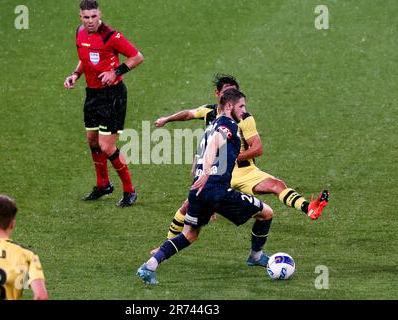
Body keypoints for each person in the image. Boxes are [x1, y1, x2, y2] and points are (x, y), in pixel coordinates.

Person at [154, 75, 328, 246]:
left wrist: (229, 157)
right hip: (218, 173)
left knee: (276, 185)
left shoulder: (244, 118)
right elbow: (188, 114)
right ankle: (167, 244)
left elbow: (257, 148)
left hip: (244, 171)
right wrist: (167, 119)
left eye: (234, 92)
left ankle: (309, 208)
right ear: (218, 94)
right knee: (187, 208)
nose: (232, 97)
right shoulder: (209, 112)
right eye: (227, 92)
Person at [137, 89, 274, 285]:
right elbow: (214, 146)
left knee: (189, 235)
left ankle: (150, 265)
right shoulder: (229, 125)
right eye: (241, 106)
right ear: (229, 106)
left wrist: (205, 196)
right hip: (217, 189)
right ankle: (256, 255)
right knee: (266, 213)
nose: (244, 111)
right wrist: (210, 174)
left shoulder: (211, 127)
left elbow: (196, 166)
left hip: (199, 190)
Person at [63, 0, 144, 206]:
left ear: (100, 15)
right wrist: (75, 74)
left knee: (106, 146)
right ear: (80, 17)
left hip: (113, 95)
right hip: (92, 94)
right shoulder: (80, 33)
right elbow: (85, 57)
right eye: (86, 17)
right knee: (92, 140)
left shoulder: (111, 36)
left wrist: (115, 72)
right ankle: (103, 184)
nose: (90, 21)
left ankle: (130, 190)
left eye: (94, 16)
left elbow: (137, 57)